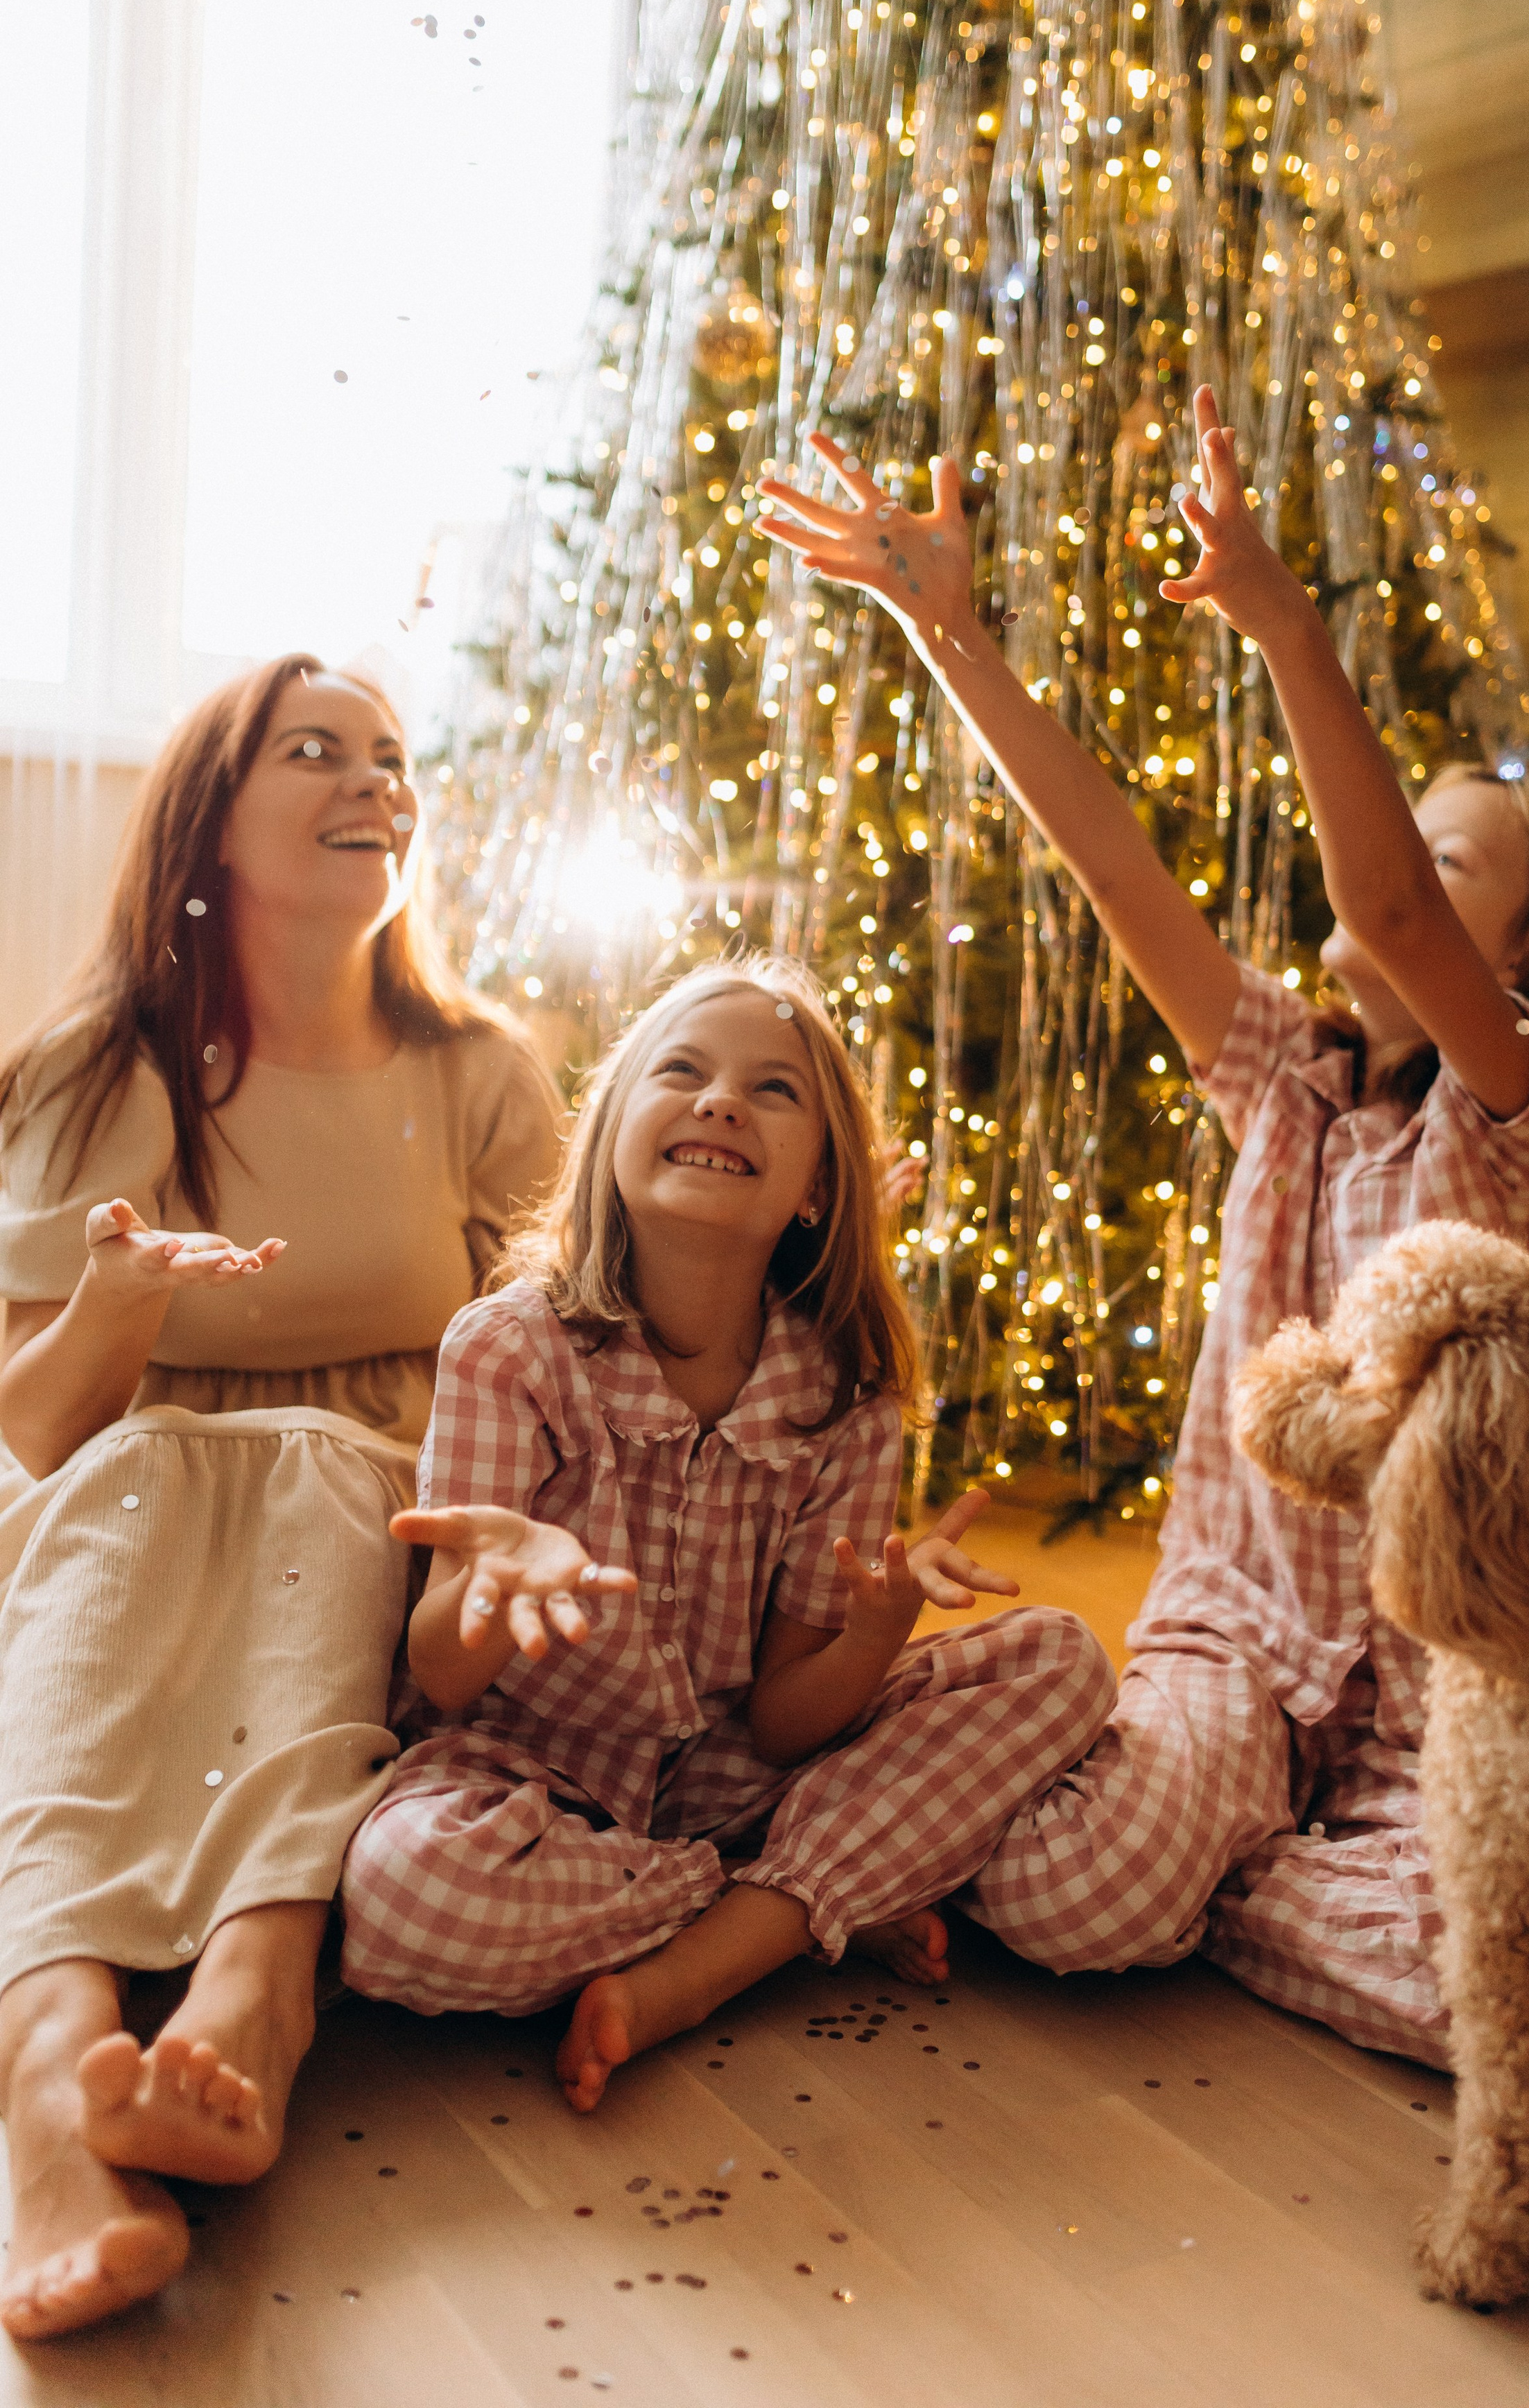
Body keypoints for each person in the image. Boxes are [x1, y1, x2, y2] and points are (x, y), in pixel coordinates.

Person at [754, 388, 1529, 2065]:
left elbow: (1374, 899)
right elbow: (1107, 861)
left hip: (1440, 1678)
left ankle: (1229, 1873)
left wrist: (1283, 625)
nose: (1389, 867)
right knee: (1079, 1898)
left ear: (1526, 955)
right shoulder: (1279, 1079)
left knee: (1489, 1999)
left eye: (1452, 860)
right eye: (1411, 836)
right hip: (1234, 1633)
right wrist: (948, 633)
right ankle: (1138, 1817)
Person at [0, 656, 562, 2338]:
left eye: (392, 758)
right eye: (313, 751)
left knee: (319, 1481)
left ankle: (252, 1998)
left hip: (379, 1495)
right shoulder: (98, 1065)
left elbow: (565, 1356)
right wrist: (119, 1300)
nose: (373, 780)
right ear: (207, 822)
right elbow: (32, 1435)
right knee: (152, 1490)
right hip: (124, 1486)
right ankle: (48, 2088)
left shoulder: (480, 1073)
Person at [339, 953, 1115, 2107]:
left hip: (735, 1772)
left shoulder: (846, 1398)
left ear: (815, 1187)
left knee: (1063, 1660)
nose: (720, 1100)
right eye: (684, 1071)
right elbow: (443, 1679)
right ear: (611, 1138)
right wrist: (495, 1588)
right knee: (408, 1901)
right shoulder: (511, 1350)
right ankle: (781, 1917)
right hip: (525, 1776)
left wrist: (868, 1637)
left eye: (774, 1090)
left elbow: (787, 1718)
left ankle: (713, 1954)